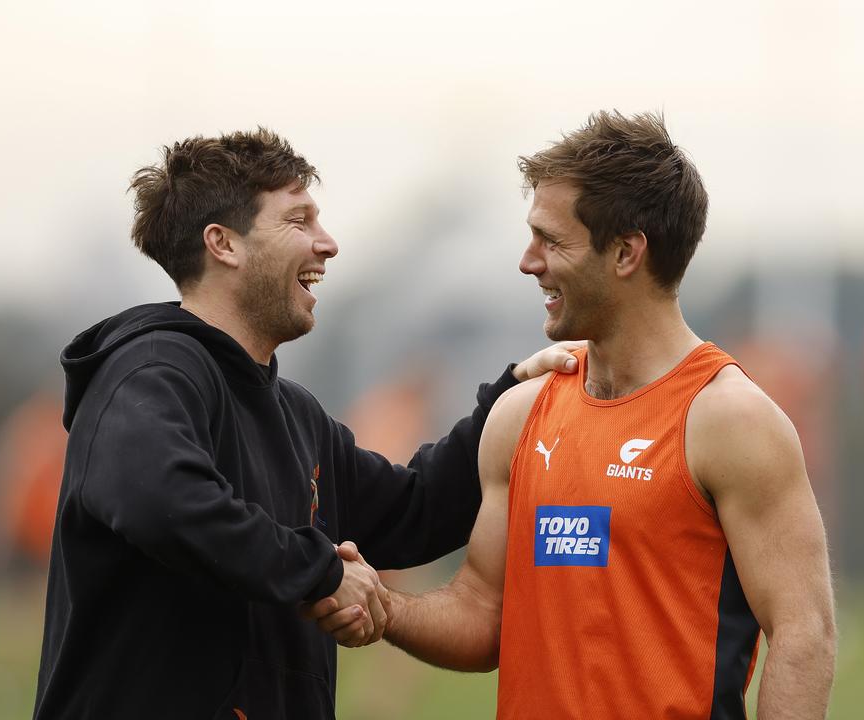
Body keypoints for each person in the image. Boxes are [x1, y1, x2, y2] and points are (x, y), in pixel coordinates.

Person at [32, 127, 578, 720]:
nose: (328, 244)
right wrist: (318, 574)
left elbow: (415, 511)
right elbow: (163, 502)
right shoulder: (150, 370)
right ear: (224, 244)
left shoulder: (295, 413)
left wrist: (514, 397)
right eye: (299, 222)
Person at [311, 111, 837, 718]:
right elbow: (483, 615)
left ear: (625, 252)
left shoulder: (729, 420)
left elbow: (804, 637)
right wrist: (383, 606)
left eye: (551, 240)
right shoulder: (519, 414)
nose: (527, 261)